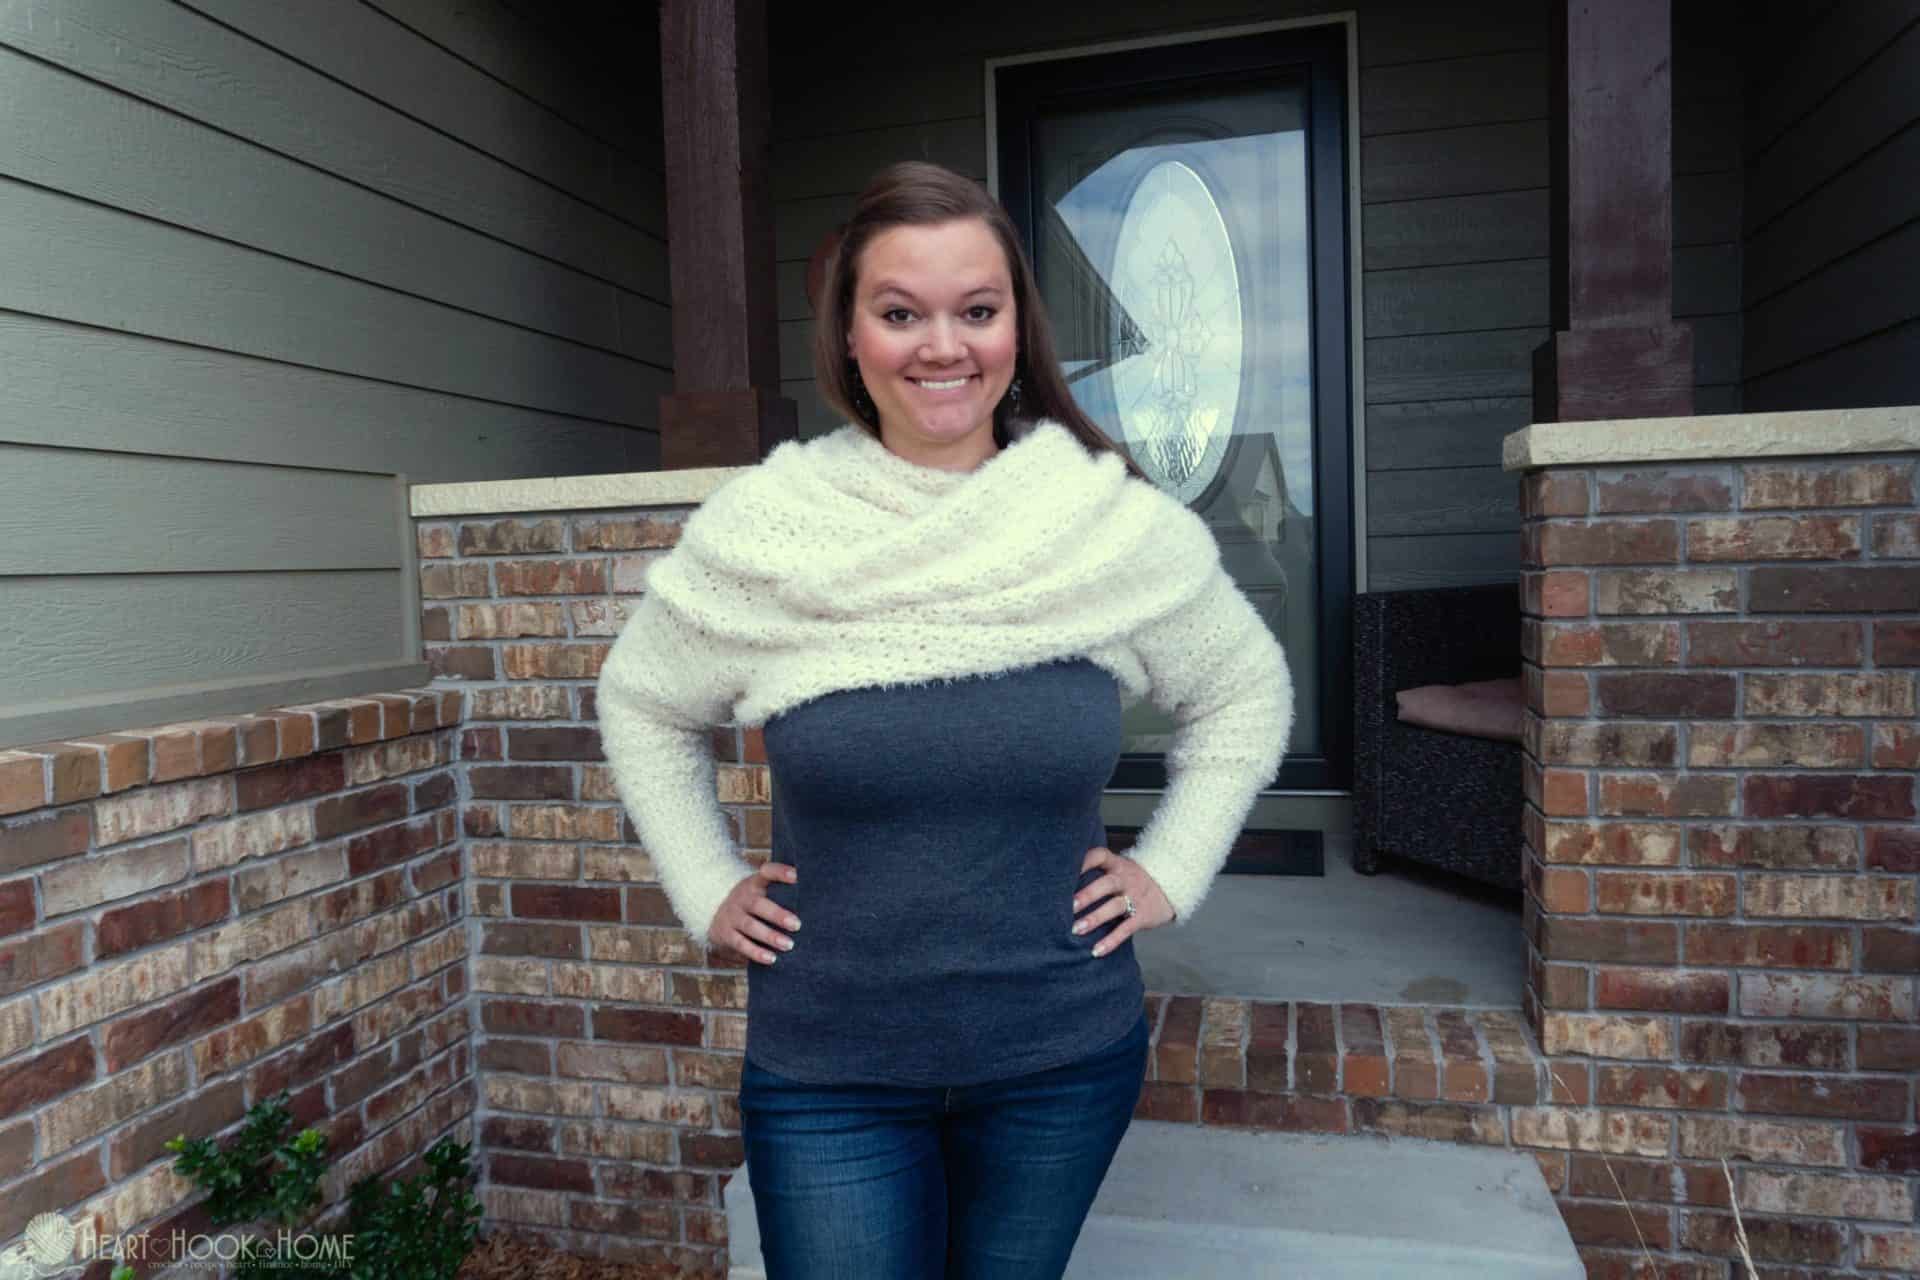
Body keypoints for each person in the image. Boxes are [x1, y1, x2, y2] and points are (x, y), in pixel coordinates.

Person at [595, 160, 1294, 1279]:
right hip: (831, 1070)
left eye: (978, 309)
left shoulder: (1101, 523)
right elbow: (641, 700)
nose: (943, 345)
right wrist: (702, 880)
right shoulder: (771, 527)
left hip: (1061, 1058)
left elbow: (1243, 687)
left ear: (1018, 325)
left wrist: (1172, 864)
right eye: (900, 311)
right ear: (851, 334)